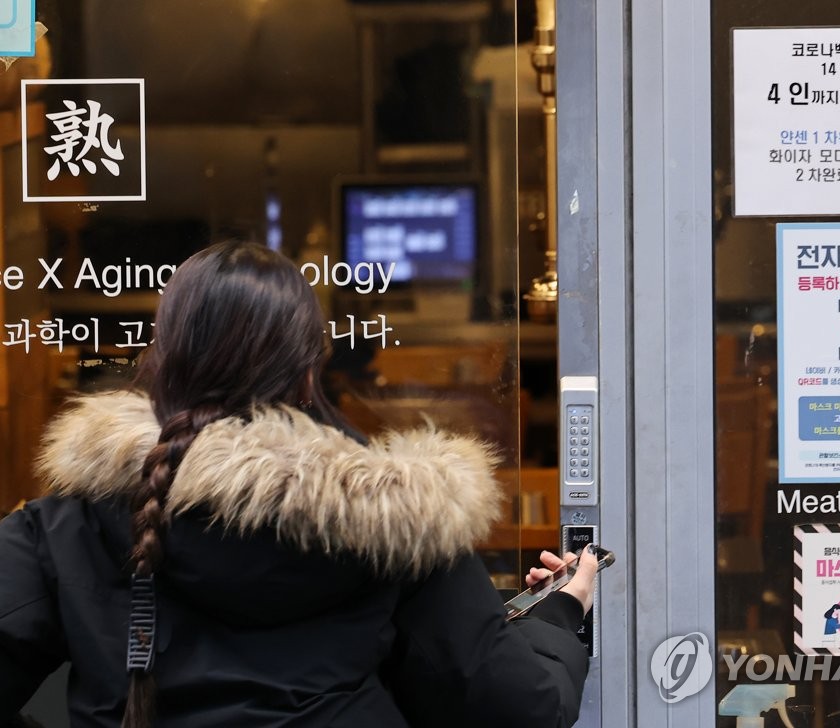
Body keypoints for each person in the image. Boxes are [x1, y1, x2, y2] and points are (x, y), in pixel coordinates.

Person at [0, 240, 599, 728]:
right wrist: (556, 617)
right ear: (309, 366)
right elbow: (515, 709)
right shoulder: (401, 522)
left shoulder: (65, 523)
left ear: (164, 357)